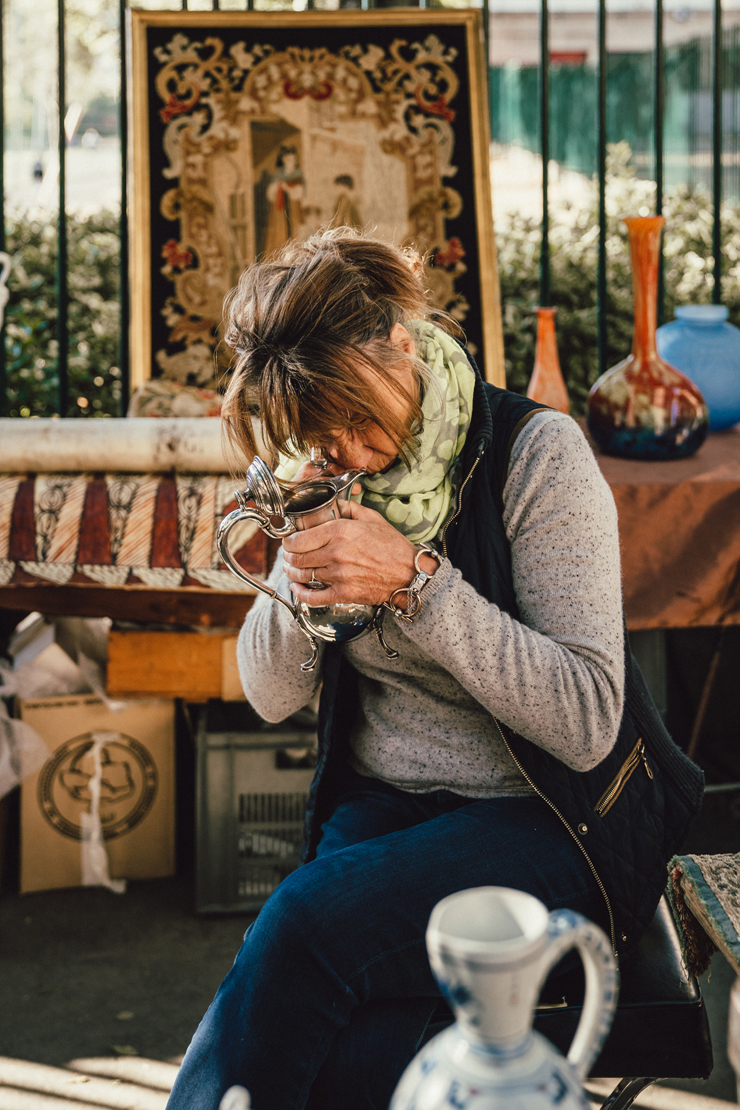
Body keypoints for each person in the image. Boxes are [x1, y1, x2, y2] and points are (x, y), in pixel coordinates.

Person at [166, 228, 703, 1110]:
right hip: (384, 804)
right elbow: (269, 695)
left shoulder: (538, 458)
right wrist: (296, 562)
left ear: (403, 345)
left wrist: (417, 586)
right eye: (318, 431)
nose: (347, 448)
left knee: (302, 924)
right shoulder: (329, 467)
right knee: (350, 1055)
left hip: (548, 817)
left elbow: (588, 721)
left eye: (356, 415)